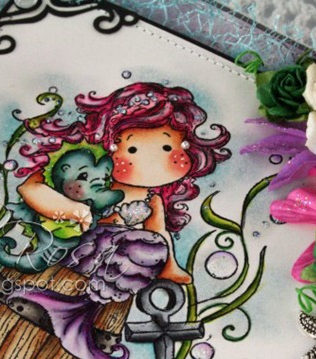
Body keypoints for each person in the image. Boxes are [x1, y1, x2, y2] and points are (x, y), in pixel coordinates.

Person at [16, 82, 231, 300]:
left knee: (151, 248)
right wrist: (74, 211)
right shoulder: (96, 183)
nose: (151, 161)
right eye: (132, 149)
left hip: (118, 267)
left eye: (167, 148)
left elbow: (159, 232)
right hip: (82, 252)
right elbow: (30, 188)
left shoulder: (152, 199)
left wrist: (170, 267)